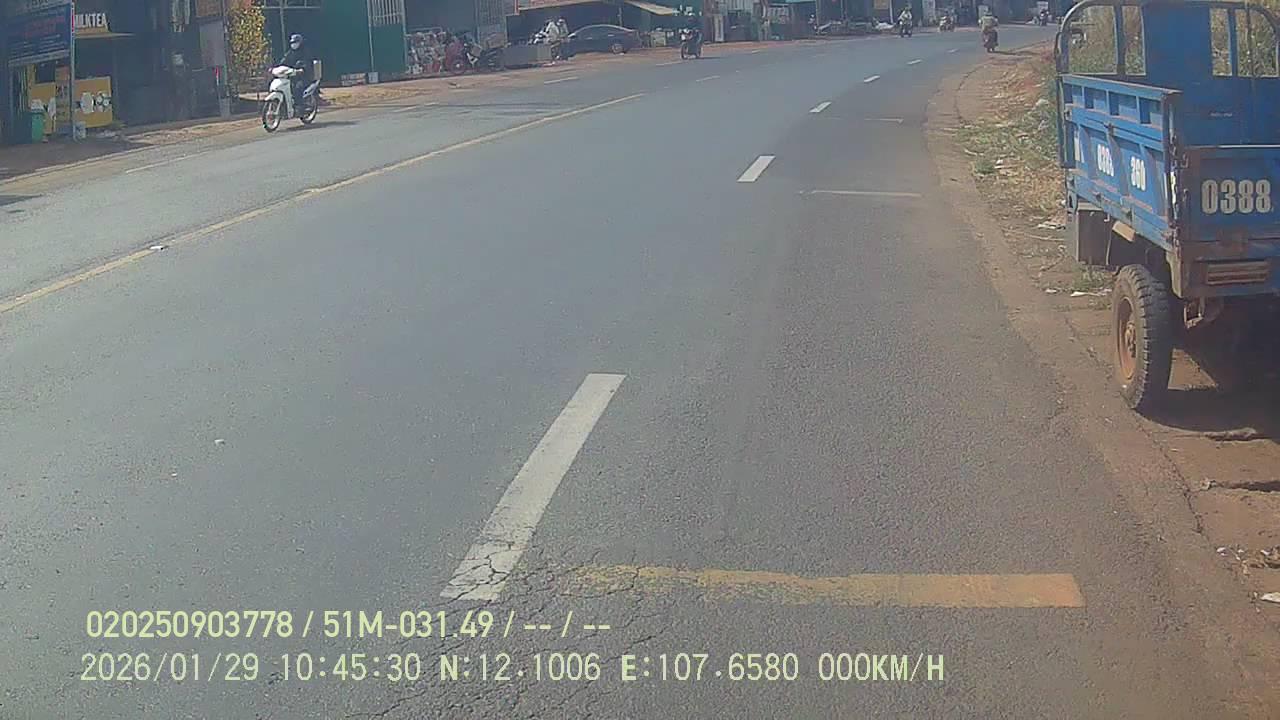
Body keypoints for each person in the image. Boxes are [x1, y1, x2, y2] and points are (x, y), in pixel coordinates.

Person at [280, 34, 313, 110]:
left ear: (300, 43)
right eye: (292, 42)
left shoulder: (305, 52)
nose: (293, 44)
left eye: (295, 42)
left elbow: (307, 62)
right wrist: (276, 67)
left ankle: (300, 106)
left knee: (298, 87)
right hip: (291, 75)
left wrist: (302, 69)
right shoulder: (290, 52)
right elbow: (283, 61)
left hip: (304, 76)